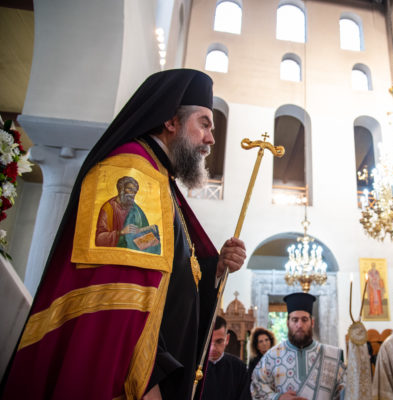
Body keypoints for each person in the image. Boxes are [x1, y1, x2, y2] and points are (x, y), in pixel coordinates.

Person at [0, 69, 247, 400]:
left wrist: (213, 269)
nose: (210, 139)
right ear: (171, 121)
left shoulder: (157, 177)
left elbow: (161, 272)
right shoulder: (131, 169)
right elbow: (120, 296)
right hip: (125, 376)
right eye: (204, 124)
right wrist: (146, 380)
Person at [251, 293, 346, 400]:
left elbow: (346, 390)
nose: (300, 325)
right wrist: (278, 398)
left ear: (312, 322)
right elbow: (256, 387)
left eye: (304, 320)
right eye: (295, 320)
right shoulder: (271, 356)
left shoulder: (332, 355)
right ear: (288, 323)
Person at [95, 175, 160, 253]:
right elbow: (99, 239)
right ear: (121, 189)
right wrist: (121, 232)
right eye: (130, 189)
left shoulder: (137, 210)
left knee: (154, 241)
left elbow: (145, 235)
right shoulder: (108, 208)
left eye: (135, 192)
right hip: (115, 251)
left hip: (133, 249)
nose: (132, 194)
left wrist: (143, 232)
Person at [199, 316, 249, 400]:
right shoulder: (194, 366)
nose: (213, 348)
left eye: (219, 341)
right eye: (209, 342)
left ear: (227, 339)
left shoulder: (239, 368)